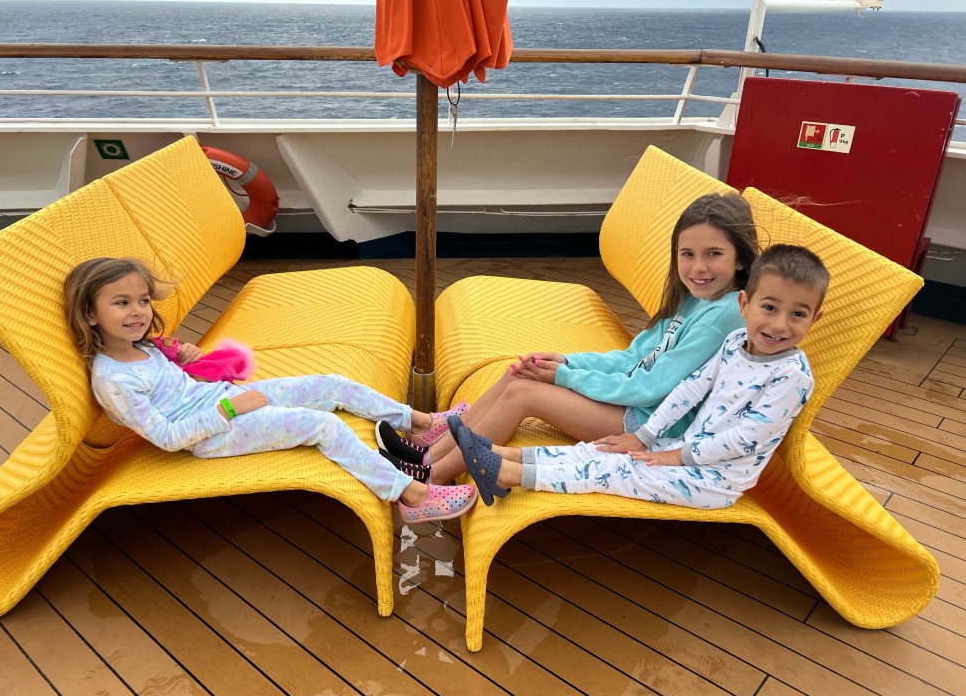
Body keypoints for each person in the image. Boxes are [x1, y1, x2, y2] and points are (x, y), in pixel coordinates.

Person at [376, 192, 761, 497]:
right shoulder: (693, 300)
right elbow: (632, 358)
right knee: (520, 373)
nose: (698, 267)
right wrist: (567, 362)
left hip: (651, 427)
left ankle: (429, 481)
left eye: (714, 254)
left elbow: (651, 387)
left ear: (741, 259)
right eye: (687, 254)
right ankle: (428, 455)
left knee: (523, 393)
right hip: (634, 406)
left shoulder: (726, 314)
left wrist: (564, 377)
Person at [62, 256, 477, 524]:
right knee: (324, 426)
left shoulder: (142, 347)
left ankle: (420, 424)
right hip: (212, 433)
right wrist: (230, 409)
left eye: (142, 300)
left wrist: (184, 358)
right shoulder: (114, 381)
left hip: (220, 400)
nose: (137, 311)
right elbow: (168, 437)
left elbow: (173, 385)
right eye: (121, 303)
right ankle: (411, 496)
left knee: (332, 384)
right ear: (89, 314)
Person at [447, 243, 828, 509]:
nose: (779, 324)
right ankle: (499, 455)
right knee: (601, 452)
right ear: (745, 305)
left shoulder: (791, 377)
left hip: (714, 480)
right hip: (681, 448)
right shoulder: (734, 343)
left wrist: (677, 455)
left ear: (815, 319)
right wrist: (644, 436)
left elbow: (745, 439)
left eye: (797, 314)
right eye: (769, 307)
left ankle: (507, 475)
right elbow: (689, 389)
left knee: (615, 471)